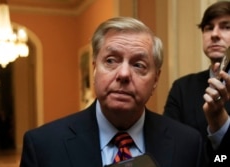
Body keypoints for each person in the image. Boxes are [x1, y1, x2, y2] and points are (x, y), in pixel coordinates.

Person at [20, 17, 203, 167]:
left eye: (139, 65)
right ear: (94, 70)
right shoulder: (43, 146)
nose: (123, 74)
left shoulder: (188, 144)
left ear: (155, 80)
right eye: (110, 61)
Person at [164, 1, 230, 166]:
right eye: (208, 28)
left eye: (226, 27)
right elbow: (170, 147)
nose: (214, 34)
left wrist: (220, 125)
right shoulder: (182, 88)